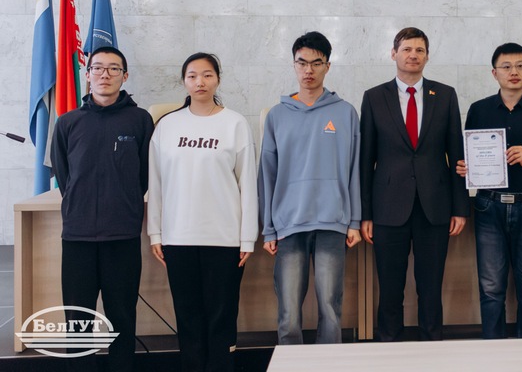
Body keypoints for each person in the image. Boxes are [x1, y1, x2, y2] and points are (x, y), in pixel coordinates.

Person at [148, 53, 258, 371]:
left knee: (222, 315)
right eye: (193, 75)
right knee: (188, 315)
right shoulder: (167, 126)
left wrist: (247, 238)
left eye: (207, 75)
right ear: (184, 81)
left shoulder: (235, 123)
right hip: (178, 237)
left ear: (218, 79)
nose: (200, 82)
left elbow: (248, 184)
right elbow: (156, 184)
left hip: (225, 238)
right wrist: (155, 232)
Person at [360, 27, 468, 341]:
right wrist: (365, 214)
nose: (413, 55)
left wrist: (460, 207)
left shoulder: (445, 95)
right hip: (387, 208)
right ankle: (388, 346)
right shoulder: (374, 97)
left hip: (434, 207)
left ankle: (433, 347)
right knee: (390, 288)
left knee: (431, 288)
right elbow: (365, 161)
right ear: (394, 54)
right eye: (407, 49)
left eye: (420, 50)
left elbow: (457, 155)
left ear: (427, 56)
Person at [51, 46, 154, 372]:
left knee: (121, 317)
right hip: (78, 237)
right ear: (87, 74)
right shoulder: (68, 122)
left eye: (113, 69)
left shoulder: (140, 120)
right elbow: (65, 176)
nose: (104, 74)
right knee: (78, 320)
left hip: (122, 236)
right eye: (97, 68)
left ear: (125, 76)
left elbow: (145, 175)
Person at [455, 43, 522, 339]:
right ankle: (493, 352)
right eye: (506, 66)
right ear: (494, 73)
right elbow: (466, 154)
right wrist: (465, 167)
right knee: (491, 289)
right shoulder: (479, 110)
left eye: (520, 66)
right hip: (487, 206)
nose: (513, 72)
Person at [258, 32, 362, 345]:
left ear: (327, 66)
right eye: (302, 63)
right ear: (293, 65)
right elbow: (267, 175)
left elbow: (355, 169)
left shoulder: (345, 112)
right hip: (289, 224)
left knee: (330, 309)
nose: (309, 70)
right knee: (289, 313)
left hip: (333, 222)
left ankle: (329, 365)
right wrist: (268, 229)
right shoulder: (277, 115)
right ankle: (292, 364)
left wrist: (354, 221)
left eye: (317, 63)